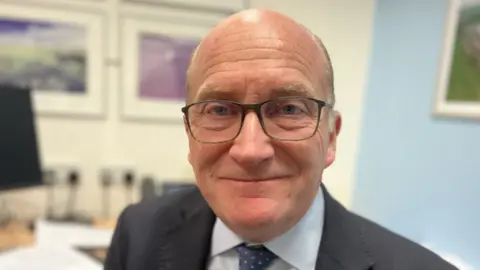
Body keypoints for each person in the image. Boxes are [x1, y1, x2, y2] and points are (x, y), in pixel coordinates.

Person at [104, 9, 458, 270]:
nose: (250, 150)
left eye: (288, 109)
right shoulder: (139, 234)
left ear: (331, 136)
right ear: (190, 135)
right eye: (220, 111)